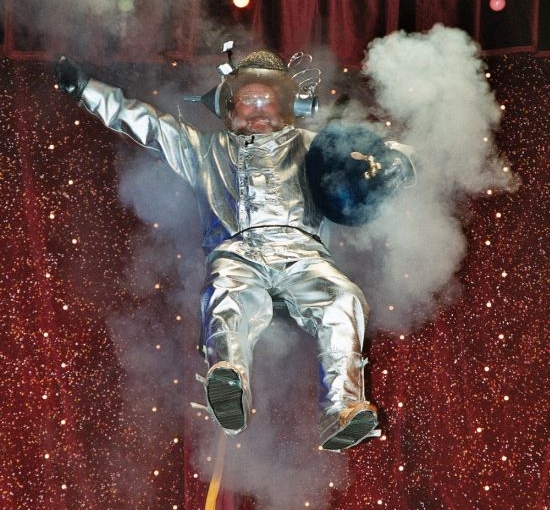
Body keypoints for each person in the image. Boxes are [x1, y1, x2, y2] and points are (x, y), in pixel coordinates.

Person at [54, 49, 402, 451]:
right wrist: (86, 89)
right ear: (230, 107)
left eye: (267, 99)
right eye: (248, 100)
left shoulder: (312, 147)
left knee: (343, 298)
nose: (258, 109)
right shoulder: (205, 149)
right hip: (238, 251)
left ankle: (341, 408)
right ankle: (229, 380)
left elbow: (377, 155)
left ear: (285, 105)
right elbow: (147, 124)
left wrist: (395, 165)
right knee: (226, 293)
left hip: (303, 254)